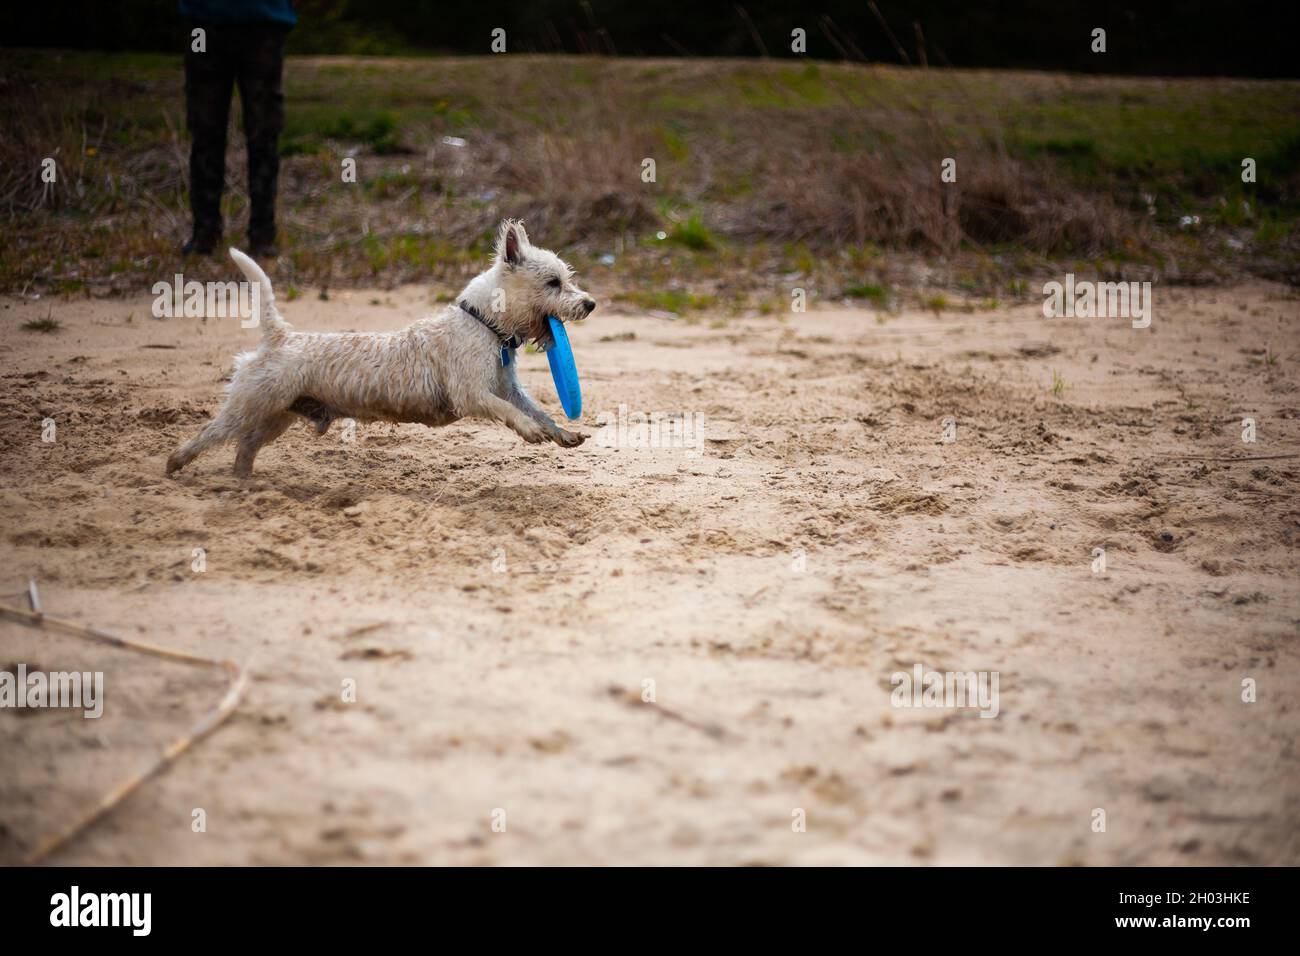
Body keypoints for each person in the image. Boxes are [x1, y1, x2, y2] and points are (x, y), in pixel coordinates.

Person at [179, 0, 297, 257]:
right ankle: (205, 234)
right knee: (205, 131)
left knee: (264, 134)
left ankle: (263, 236)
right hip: (205, 25)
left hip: (264, 24)